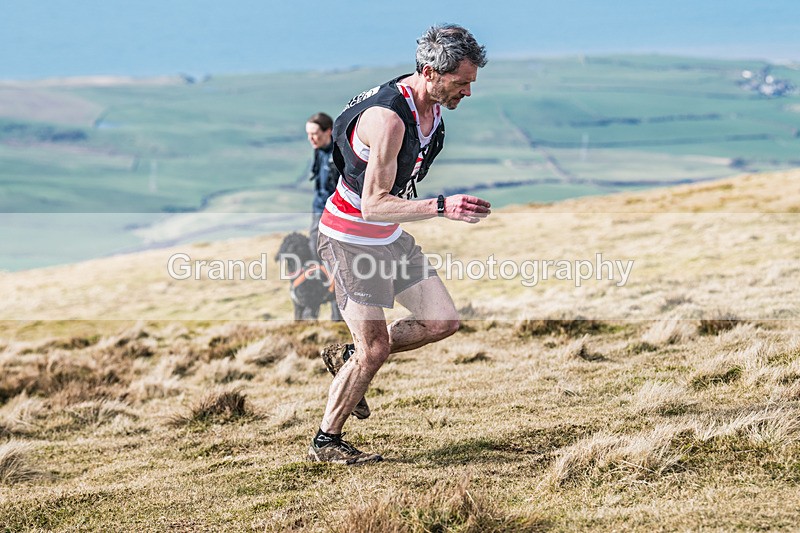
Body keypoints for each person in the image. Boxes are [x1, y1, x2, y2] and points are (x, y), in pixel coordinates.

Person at [307, 24, 490, 464]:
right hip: (349, 240)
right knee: (375, 350)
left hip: (389, 238)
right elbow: (372, 204)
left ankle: (348, 355)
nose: (467, 92)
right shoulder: (389, 118)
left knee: (442, 321)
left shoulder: (432, 107)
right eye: (461, 83)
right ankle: (326, 442)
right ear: (430, 72)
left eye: (470, 83)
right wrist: (442, 207)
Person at [305, 112, 340, 259]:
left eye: (314, 133)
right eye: (308, 134)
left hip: (335, 211)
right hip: (319, 206)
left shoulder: (339, 154)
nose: (311, 138)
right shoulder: (319, 149)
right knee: (314, 246)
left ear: (328, 131)